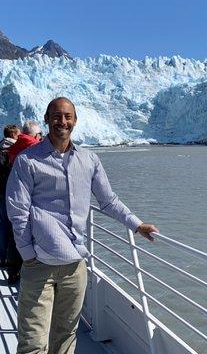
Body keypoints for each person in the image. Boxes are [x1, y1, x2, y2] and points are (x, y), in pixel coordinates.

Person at [6, 97, 159, 354]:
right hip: (39, 265)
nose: (62, 122)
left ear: (75, 121)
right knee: (33, 342)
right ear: (46, 119)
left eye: (67, 116)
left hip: (75, 266)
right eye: (56, 116)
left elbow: (108, 201)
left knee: (65, 338)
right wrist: (28, 255)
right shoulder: (27, 161)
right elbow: (17, 211)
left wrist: (137, 225)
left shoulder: (89, 160)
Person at [4, 121, 43, 284]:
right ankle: (32, 272)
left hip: (14, 194)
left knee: (16, 234)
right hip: (32, 197)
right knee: (35, 235)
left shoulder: (14, 147)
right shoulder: (33, 146)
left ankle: (13, 271)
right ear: (35, 135)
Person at [0, 124, 21, 266]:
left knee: (2, 225)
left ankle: (2, 257)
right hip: (11, 193)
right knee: (14, 225)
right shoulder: (14, 150)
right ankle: (12, 260)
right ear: (13, 135)